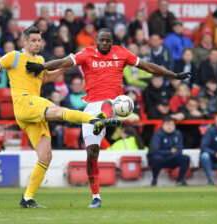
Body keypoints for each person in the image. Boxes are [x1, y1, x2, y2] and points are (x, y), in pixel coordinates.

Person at [0, 25, 115, 208]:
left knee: (45, 156)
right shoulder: (14, 57)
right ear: (25, 41)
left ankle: (27, 198)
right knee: (57, 110)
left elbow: (46, 78)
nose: (37, 43)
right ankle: (94, 119)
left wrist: (67, 66)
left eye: (39, 40)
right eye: (33, 40)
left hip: (32, 112)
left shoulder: (41, 60)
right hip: (25, 103)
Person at [25, 28, 191, 208]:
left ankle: (105, 118)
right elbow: (64, 61)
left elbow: (148, 66)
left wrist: (173, 75)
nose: (105, 43)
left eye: (108, 41)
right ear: (97, 41)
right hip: (91, 107)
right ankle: (96, 196)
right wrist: (42, 66)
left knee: (116, 105)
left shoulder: (121, 53)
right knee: (92, 154)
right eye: (102, 40)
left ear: (112, 41)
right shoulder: (87, 53)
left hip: (115, 103)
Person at [147, 117, 190, 186]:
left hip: (172, 157)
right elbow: (155, 150)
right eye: (167, 124)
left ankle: (180, 180)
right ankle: (154, 179)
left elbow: (179, 148)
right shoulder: (157, 134)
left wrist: (173, 153)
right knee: (156, 158)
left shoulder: (178, 134)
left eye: (172, 125)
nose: (170, 127)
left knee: (185, 158)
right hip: (160, 157)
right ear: (163, 125)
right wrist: (169, 152)